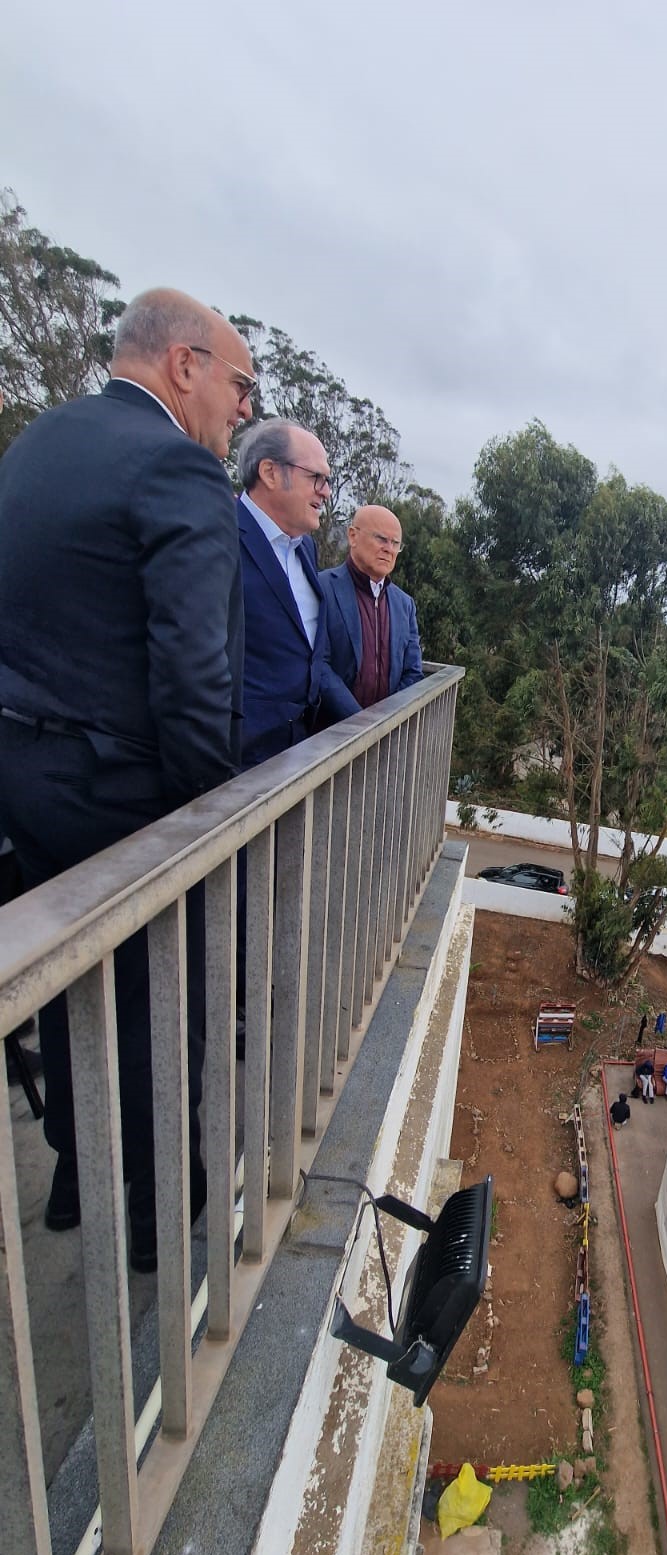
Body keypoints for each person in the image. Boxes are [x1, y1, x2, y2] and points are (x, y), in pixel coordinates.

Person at [0, 288, 253, 1269]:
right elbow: (195, 678)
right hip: (116, 791)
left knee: (69, 984)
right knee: (159, 1000)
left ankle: (73, 1171)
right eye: (237, 384)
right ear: (183, 364)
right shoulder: (176, 469)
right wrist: (209, 819)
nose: (240, 407)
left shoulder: (42, 442)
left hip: (24, 778)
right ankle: (152, 1216)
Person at [236, 420, 361, 766]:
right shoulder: (221, 537)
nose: (326, 491)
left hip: (296, 753)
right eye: (315, 478)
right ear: (270, 473)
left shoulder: (305, 548)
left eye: (328, 481)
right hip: (236, 764)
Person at [320, 505, 423, 709]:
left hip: (388, 734)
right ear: (353, 536)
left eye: (395, 543)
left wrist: (386, 720)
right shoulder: (322, 588)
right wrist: (359, 722)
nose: (389, 549)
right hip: (331, 734)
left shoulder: (405, 605)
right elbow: (319, 666)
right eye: (381, 539)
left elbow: (413, 672)